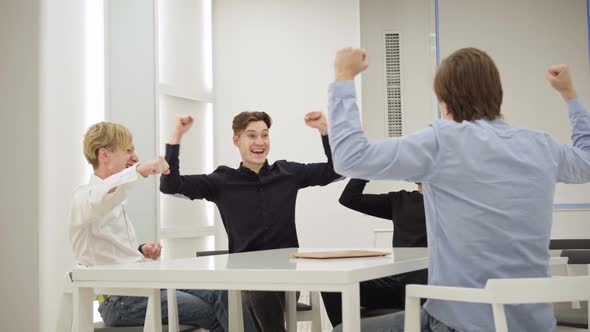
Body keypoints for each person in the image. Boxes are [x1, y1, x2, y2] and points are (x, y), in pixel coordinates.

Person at [328, 47, 590, 331]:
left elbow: (349, 158)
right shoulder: (542, 146)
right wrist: (569, 94)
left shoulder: (441, 143)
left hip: (458, 322)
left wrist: (344, 75)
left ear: (444, 102)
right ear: (497, 94)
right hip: (535, 325)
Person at [160, 111, 340, 332]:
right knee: (242, 291)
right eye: (251, 136)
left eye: (265, 135)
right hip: (242, 281)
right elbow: (170, 186)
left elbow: (337, 170)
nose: (260, 142)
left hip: (285, 279)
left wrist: (325, 130)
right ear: (236, 141)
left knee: (260, 289)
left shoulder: (288, 173)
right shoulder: (222, 181)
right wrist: (177, 135)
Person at [69, 121, 226, 331]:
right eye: (128, 150)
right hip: (121, 302)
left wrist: (140, 250)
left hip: (143, 286)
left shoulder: (113, 200)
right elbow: (100, 196)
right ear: (104, 155)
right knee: (213, 312)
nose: (134, 157)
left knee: (221, 294)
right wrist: (139, 171)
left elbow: (108, 252)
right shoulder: (84, 198)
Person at [321, 179, 428, 327]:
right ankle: (345, 330)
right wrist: (367, 170)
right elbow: (349, 198)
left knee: (420, 271)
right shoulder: (399, 200)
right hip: (397, 283)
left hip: (425, 283)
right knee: (332, 282)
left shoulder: (450, 204)